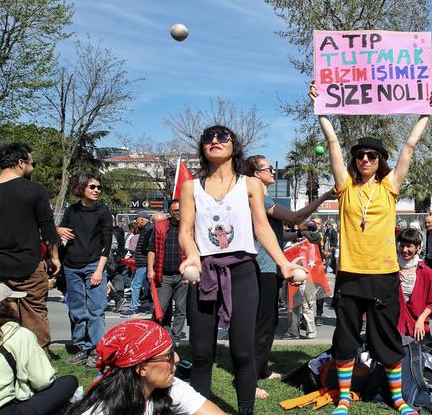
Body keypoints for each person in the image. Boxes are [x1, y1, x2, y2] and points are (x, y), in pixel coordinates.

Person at [310, 82, 432, 415]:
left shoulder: (390, 187)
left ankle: (398, 398)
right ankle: (344, 398)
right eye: (360, 155)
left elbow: (409, 147)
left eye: (372, 155)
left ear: (380, 161)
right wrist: (322, 111)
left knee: (386, 339)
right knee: (345, 339)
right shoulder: (345, 187)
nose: (365, 159)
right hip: (351, 276)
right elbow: (333, 143)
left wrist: (425, 113)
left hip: (383, 276)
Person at [177, 125, 304, 415]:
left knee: (243, 352)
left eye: (222, 137)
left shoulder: (250, 184)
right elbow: (185, 231)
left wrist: (283, 262)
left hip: (243, 272)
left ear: (234, 146)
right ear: (202, 147)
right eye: (208, 137)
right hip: (204, 272)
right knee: (202, 353)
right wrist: (193, 256)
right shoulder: (190, 187)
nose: (215, 141)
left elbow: (262, 227)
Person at [245, 154, 335, 399]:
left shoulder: (264, 198)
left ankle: (262, 369)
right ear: (256, 174)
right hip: (262, 268)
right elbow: (295, 217)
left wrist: (298, 235)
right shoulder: (259, 198)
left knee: (270, 321)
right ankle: (250, 378)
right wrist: (324, 197)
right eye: (268, 168)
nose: (273, 172)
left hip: (270, 267)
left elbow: (276, 234)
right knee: (263, 324)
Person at [65, 319, 225, 415]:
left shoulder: (170, 388)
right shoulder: (103, 410)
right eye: (168, 355)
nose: (176, 359)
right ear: (141, 369)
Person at [0, 143, 61, 351]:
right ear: (20, 163)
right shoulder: (34, 190)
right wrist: (54, 257)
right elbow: (48, 230)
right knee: (35, 315)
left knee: (1, 316)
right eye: (32, 163)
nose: (32, 168)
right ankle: (38, 360)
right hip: (28, 265)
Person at [58, 174, 113, 366]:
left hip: (94, 265)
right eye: (92, 186)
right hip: (71, 266)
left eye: (99, 187)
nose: (97, 190)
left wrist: (99, 270)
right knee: (77, 310)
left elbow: (107, 242)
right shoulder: (71, 210)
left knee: (96, 310)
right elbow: (62, 233)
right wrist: (58, 230)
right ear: (82, 188)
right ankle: (82, 347)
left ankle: (96, 349)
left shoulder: (103, 211)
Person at [0, 283, 78, 415]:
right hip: (7, 409)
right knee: (69, 382)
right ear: (6, 306)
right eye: (15, 301)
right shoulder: (19, 334)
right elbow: (42, 381)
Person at [147, 200, 187, 341]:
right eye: (175, 210)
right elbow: (151, 249)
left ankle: (175, 338)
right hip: (163, 275)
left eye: (180, 209)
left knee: (181, 309)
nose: (178, 212)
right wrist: (150, 269)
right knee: (161, 307)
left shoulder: (188, 227)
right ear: (170, 212)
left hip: (183, 276)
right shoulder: (160, 227)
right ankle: (157, 335)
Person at [396, 229, 432, 354]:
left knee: (430, 359)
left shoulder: (426, 272)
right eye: (402, 245)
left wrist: (421, 320)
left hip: (418, 327)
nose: (404, 250)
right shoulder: (391, 269)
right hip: (396, 327)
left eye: (409, 246)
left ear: (418, 248)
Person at [121, 212, 150, 317]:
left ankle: (133, 308)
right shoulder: (145, 230)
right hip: (144, 262)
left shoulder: (148, 230)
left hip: (144, 262)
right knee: (146, 285)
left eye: (137, 219)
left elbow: (148, 248)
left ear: (142, 219)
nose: (135, 221)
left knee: (136, 284)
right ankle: (150, 305)